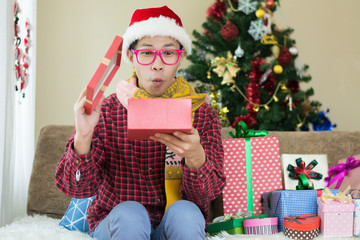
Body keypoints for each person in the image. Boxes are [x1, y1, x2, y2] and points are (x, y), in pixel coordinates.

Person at [55, 5, 226, 240]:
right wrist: (83, 139)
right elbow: (76, 189)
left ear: (181, 57)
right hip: (119, 224)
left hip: (174, 224)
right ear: (130, 57)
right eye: (146, 53)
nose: (157, 64)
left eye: (168, 53)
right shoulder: (106, 110)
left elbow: (207, 195)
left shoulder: (202, 113)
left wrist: (196, 157)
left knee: (187, 212)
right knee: (130, 213)